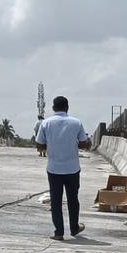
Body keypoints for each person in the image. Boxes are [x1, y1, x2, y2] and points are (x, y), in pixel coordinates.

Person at [35, 96, 91, 241]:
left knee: (56, 200)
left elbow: (39, 145)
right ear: (67, 107)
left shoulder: (46, 123)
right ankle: (74, 228)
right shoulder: (76, 122)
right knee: (73, 199)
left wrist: (52, 146)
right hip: (72, 168)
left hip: (54, 168)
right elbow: (84, 144)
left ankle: (58, 232)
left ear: (53, 108)